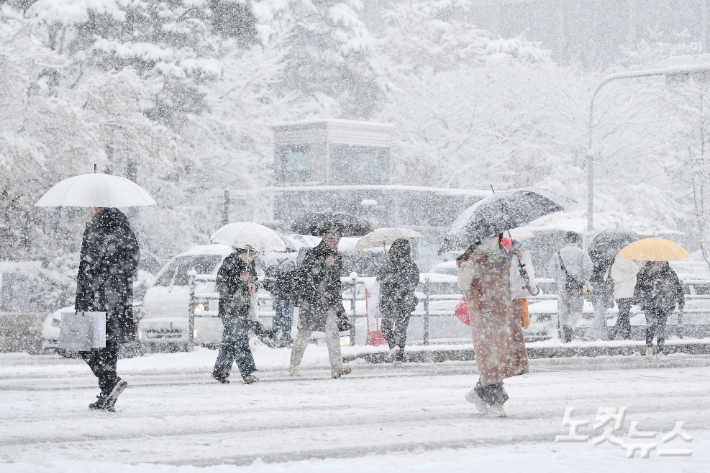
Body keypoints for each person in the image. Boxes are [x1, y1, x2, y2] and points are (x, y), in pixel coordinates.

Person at [458, 234, 529, 417]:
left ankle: (478, 392)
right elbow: (463, 284)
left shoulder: (505, 252)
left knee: (500, 359)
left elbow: (515, 281)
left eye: (495, 232)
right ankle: (497, 403)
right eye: (487, 233)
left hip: (505, 313)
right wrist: (470, 264)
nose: (491, 236)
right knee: (491, 359)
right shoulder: (472, 255)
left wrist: (518, 260)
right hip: (485, 314)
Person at [75, 207, 139, 411]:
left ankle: (110, 381)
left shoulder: (97, 228)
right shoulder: (125, 229)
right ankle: (107, 393)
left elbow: (89, 266)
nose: (89, 210)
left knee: (83, 345)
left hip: (96, 296)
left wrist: (93, 287)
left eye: (90, 207)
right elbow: (133, 261)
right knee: (108, 347)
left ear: (97, 207)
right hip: (117, 299)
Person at [289, 229, 352, 379]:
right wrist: (324, 265)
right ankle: (294, 365)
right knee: (304, 333)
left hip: (329, 301)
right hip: (312, 301)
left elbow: (335, 280)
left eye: (338, 239)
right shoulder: (313, 254)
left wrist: (331, 267)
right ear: (324, 238)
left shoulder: (337, 256)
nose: (335, 242)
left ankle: (337, 366)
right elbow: (308, 276)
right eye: (332, 238)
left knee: (333, 333)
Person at [212, 246, 262, 384]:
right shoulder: (229, 262)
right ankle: (248, 372)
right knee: (240, 340)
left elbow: (254, 280)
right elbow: (222, 284)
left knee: (230, 341)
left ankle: (220, 372)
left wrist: (253, 286)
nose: (252, 256)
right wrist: (239, 280)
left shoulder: (249, 264)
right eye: (251, 253)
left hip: (242, 309)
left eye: (254, 254)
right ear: (242, 252)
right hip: (230, 309)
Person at [377, 239, 420, 365]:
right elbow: (414, 282)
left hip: (389, 301)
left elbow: (380, 280)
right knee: (401, 329)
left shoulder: (388, 264)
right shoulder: (411, 265)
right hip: (406, 301)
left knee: (385, 327)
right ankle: (399, 357)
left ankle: (393, 346)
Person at [548, 232, 593, 343]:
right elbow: (589, 269)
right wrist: (582, 279)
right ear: (576, 241)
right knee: (576, 310)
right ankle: (570, 326)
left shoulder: (558, 253)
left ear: (565, 240)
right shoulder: (582, 253)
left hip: (562, 287)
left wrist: (559, 280)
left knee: (563, 311)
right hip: (577, 287)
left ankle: (564, 337)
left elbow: (551, 270)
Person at [634, 261, 684, 356]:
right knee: (650, 326)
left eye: (663, 260)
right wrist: (652, 284)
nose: (661, 262)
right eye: (659, 260)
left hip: (664, 304)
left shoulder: (670, 272)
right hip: (650, 304)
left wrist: (681, 300)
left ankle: (660, 349)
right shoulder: (646, 270)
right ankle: (649, 347)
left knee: (661, 327)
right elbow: (638, 286)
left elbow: (677, 287)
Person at [509, 240, 539, 329]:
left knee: (514, 329)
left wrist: (519, 260)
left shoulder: (515, 262)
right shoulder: (511, 262)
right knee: (515, 329)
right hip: (514, 298)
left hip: (513, 297)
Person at [587, 249, 615, 340]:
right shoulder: (608, 262)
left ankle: (602, 335)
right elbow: (609, 279)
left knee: (599, 314)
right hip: (604, 292)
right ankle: (590, 334)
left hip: (595, 291)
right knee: (600, 314)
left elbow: (589, 278)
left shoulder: (591, 261)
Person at [609, 256, 639, 340]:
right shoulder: (631, 265)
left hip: (618, 292)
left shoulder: (615, 264)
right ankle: (616, 332)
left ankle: (625, 333)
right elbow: (635, 271)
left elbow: (613, 277)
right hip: (628, 292)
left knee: (624, 313)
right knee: (624, 313)